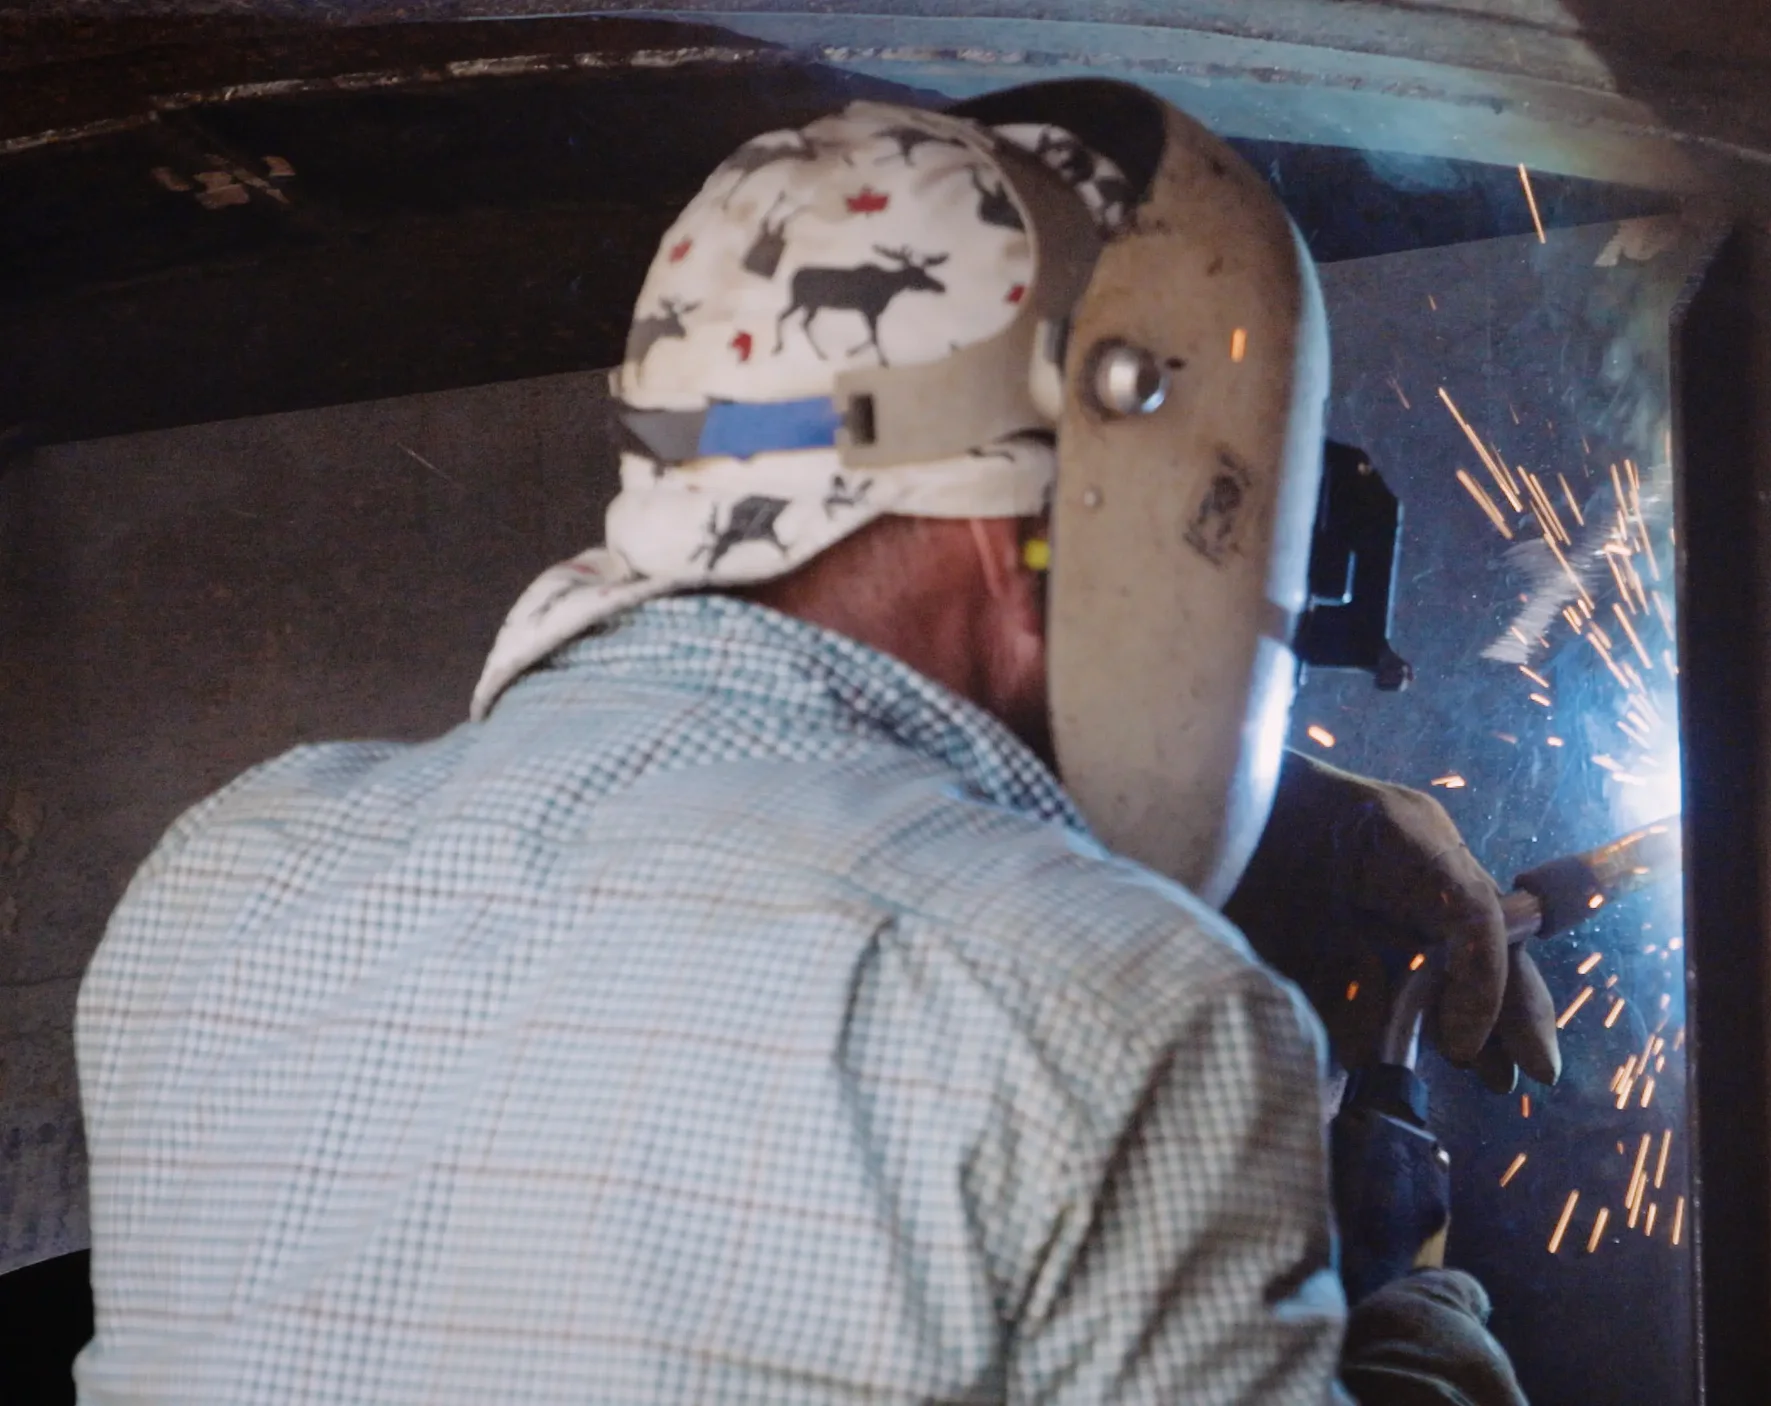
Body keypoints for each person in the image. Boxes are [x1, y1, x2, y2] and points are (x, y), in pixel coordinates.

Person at [75, 80, 1553, 1403]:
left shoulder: (220, 882)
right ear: (1066, 505)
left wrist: (1286, 840)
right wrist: (1408, 1338)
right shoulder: (1128, 1018)